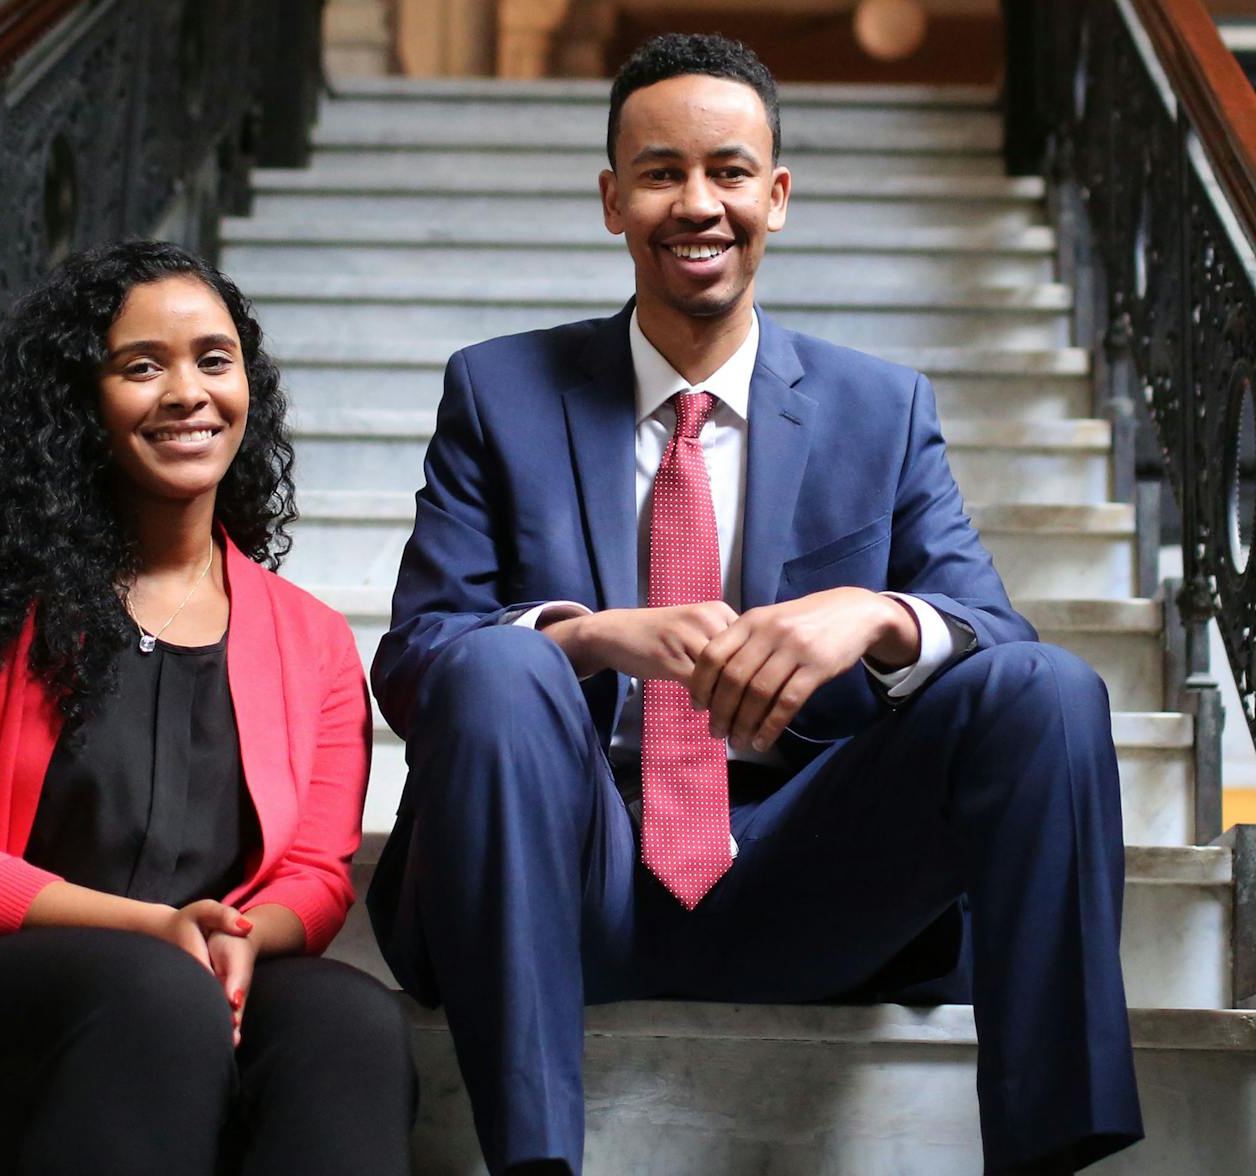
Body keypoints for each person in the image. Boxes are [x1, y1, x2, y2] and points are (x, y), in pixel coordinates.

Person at [367, 33, 1142, 1176]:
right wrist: (580, 639)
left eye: (728, 172)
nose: (697, 204)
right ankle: (533, 1161)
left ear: (774, 198)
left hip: (807, 876)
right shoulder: (498, 391)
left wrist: (878, 615)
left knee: (1047, 691)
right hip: (563, 875)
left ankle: (1049, 1152)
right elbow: (414, 660)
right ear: (610, 199)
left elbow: (996, 632)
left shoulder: (879, 409)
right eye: (659, 171)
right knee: (495, 662)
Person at [0, 240, 415, 1175]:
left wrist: (237, 939)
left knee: (349, 1019)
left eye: (214, 360)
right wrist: (155, 932)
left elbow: (314, 873)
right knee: (154, 992)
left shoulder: (306, 638)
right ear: (79, 405)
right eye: (141, 366)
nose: (188, 391)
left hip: (200, 995)